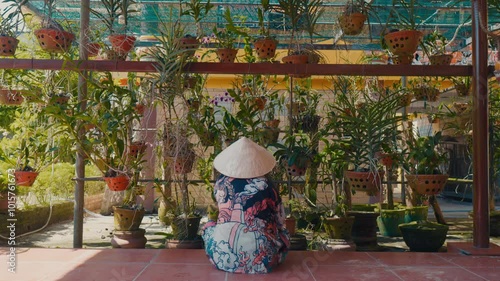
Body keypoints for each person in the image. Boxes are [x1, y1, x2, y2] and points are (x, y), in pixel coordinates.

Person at [201, 137, 290, 274]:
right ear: (258, 164)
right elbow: (280, 220)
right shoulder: (268, 186)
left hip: (221, 258)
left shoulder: (220, 184)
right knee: (284, 234)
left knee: (208, 226)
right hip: (265, 260)